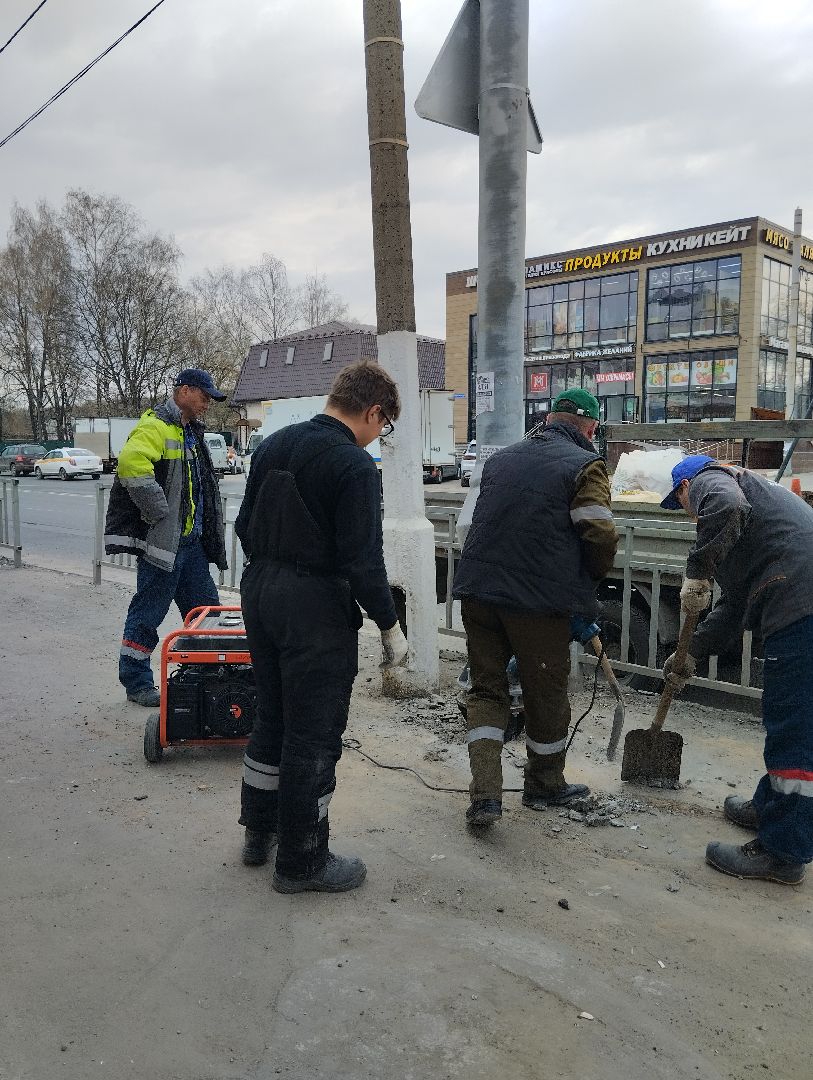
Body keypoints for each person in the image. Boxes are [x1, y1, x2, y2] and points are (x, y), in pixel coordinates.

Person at [234, 361, 409, 894]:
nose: (380, 436)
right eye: (384, 426)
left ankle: (259, 833)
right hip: (314, 607)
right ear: (373, 411)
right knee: (313, 735)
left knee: (273, 717)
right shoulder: (354, 466)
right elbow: (363, 561)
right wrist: (388, 624)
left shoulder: (273, 444)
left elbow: (243, 525)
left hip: (260, 591)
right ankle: (302, 860)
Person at [453, 389, 618, 827]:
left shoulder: (502, 459)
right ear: (591, 428)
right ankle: (544, 785)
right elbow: (599, 535)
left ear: (548, 419)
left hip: (478, 593)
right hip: (536, 604)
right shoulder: (585, 465)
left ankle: (485, 796)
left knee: (487, 690)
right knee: (546, 694)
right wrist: (586, 590)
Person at [660, 455, 813, 886]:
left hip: (802, 608)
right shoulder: (759, 512)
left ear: (685, 487)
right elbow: (731, 609)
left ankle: (782, 852)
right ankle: (769, 807)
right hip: (800, 602)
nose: (689, 515)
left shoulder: (714, 480)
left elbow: (724, 507)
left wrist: (697, 571)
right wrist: (689, 654)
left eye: (682, 504)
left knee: (795, 729)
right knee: (793, 724)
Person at [105, 368, 228, 707]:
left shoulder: (190, 432)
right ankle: (136, 683)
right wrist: (158, 511)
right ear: (184, 391)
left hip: (192, 546)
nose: (207, 403)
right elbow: (130, 464)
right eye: (204, 396)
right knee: (148, 613)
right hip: (165, 546)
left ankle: (210, 676)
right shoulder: (156, 426)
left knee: (206, 614)